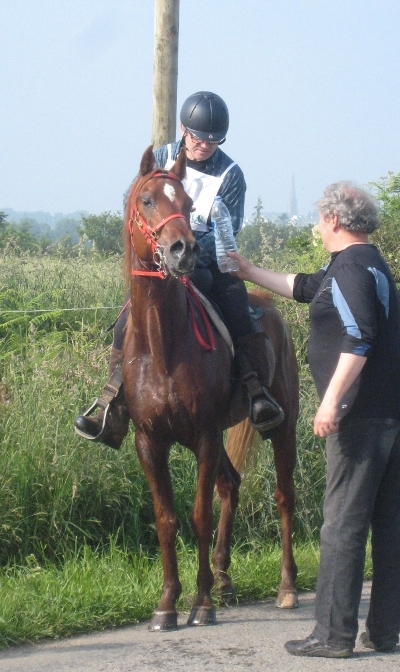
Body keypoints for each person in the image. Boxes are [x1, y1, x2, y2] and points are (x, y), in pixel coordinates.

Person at [229, 182, 400, 658]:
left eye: (320, 219)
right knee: (385, 520)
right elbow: (305, 287)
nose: (317, 227)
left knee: (342, 522)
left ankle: (333, 635)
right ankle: (384, 631)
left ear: (334, 220)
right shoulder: (363, 262)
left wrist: (330, 402)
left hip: (364, 411)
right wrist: (249, 271)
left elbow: (359, 336)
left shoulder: (351, 269)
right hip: (396, 405)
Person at [74, 91, 283, 448]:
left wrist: (190, 254)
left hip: (205, 260)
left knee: (237, 307)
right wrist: (161, 248)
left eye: (213, 141)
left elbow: (229, 229)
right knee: (125, 322)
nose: (204, 146)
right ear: (184, 131)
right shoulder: (161, 157)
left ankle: (255, 390)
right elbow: (135, 202)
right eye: (198, 138)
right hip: (160, 260)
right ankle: (113, 405)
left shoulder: (231, 174)